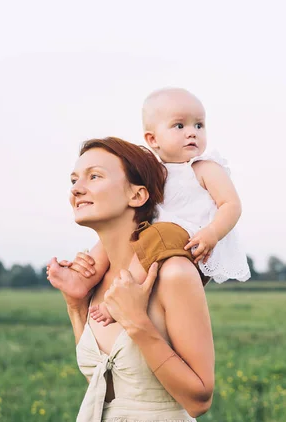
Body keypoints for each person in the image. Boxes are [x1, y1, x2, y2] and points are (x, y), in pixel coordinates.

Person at [47, 137, 213, 422]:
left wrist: (137, 322)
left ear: (136, 195)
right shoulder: (96, 283)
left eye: (94, 176)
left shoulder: (173, 273)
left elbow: (199, 400)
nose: (76, 188)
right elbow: (106, 391)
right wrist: (75, 305)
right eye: (74, 180)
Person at [49, 88, 250, 326]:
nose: (191, 134)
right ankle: (84, 279)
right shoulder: (154, 169)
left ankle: (121, 297)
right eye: (179, 126)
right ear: (152, 139)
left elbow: (231, 204)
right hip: (159, 236)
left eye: (199, 125)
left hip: (194, 238)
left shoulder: (204, 167)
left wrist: (213, 232)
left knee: (157, 234)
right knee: (119, 234)